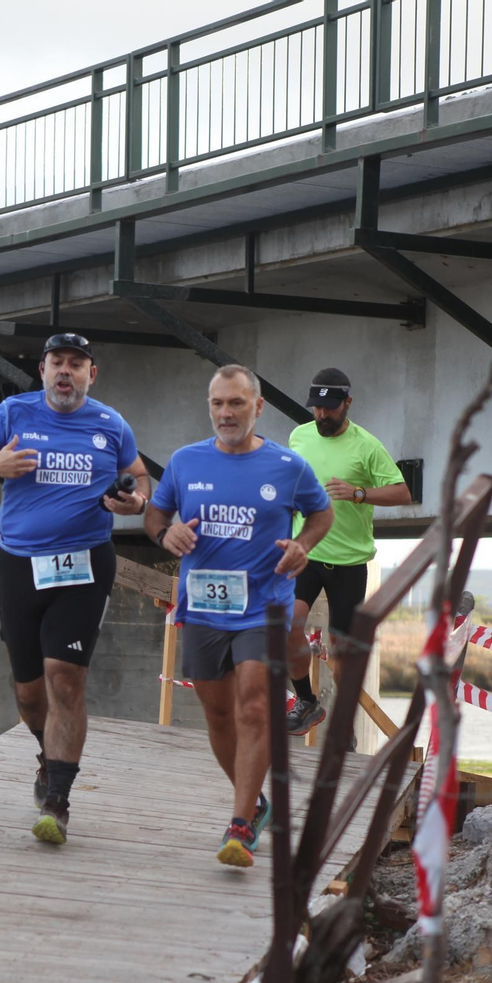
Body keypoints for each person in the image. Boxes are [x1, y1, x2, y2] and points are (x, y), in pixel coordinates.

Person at [0, 333, 149, 845]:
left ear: (91, 374)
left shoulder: (111, 424)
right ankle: (46, 753)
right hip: (20, 566)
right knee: (30, 693)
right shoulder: (14, 414)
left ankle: (57, 799)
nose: (66, 371)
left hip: (84, 564)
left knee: (65, 679)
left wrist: (136, 502)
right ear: (42, 371)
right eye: (57, 362)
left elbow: (139, 479)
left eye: (76, 364)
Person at [144, 365, 333, 867]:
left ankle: (240, 824)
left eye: (236, 403)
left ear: (258, 406)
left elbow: (322, 514)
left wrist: (303, 546)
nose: (226, 413)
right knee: (219, 713)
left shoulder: (288, 466)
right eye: (218, 404)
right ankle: (255, 801)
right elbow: (155, 515)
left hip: (264, 606)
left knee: (254, 707)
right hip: (204, 606)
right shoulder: (185, 462)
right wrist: (166, 535)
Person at [285, 368, 413, 737]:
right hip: (306, 551)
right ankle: (307, 702)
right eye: (316, 408)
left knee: (341, 654)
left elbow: (402, 493)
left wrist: (359, 493)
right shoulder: (299, 436)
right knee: (286, 626)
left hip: (350, 563)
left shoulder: (367, 445)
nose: (322, 415)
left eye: (330, 408)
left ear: (347, 403)